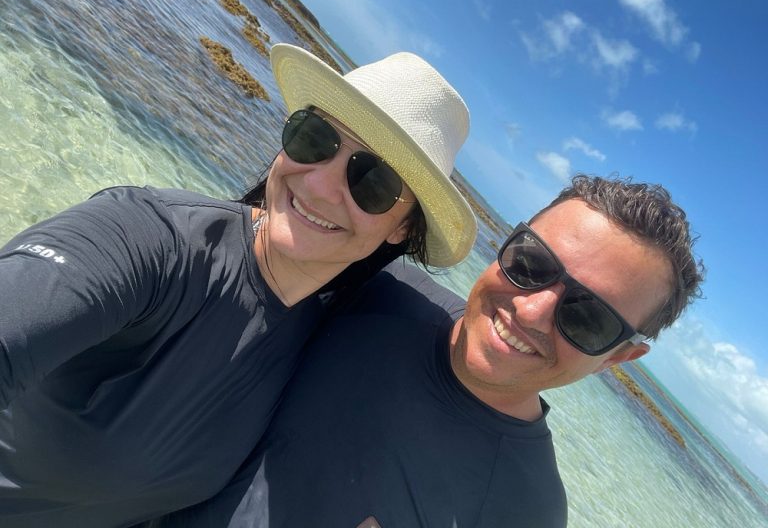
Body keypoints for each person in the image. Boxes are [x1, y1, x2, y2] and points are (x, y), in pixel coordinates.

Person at [0, 44, 477, 527]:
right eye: (316, 139)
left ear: (402, 229)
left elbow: (474, 330)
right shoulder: (150, 237)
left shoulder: (330, 328)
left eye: (373, 183)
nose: (318, 186)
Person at [148, 174, 704, 528]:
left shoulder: (525, 510)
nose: (531, 311)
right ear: (505, 243)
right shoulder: (373, 287)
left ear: (617, 358)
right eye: (533, 264)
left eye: (588, 317)